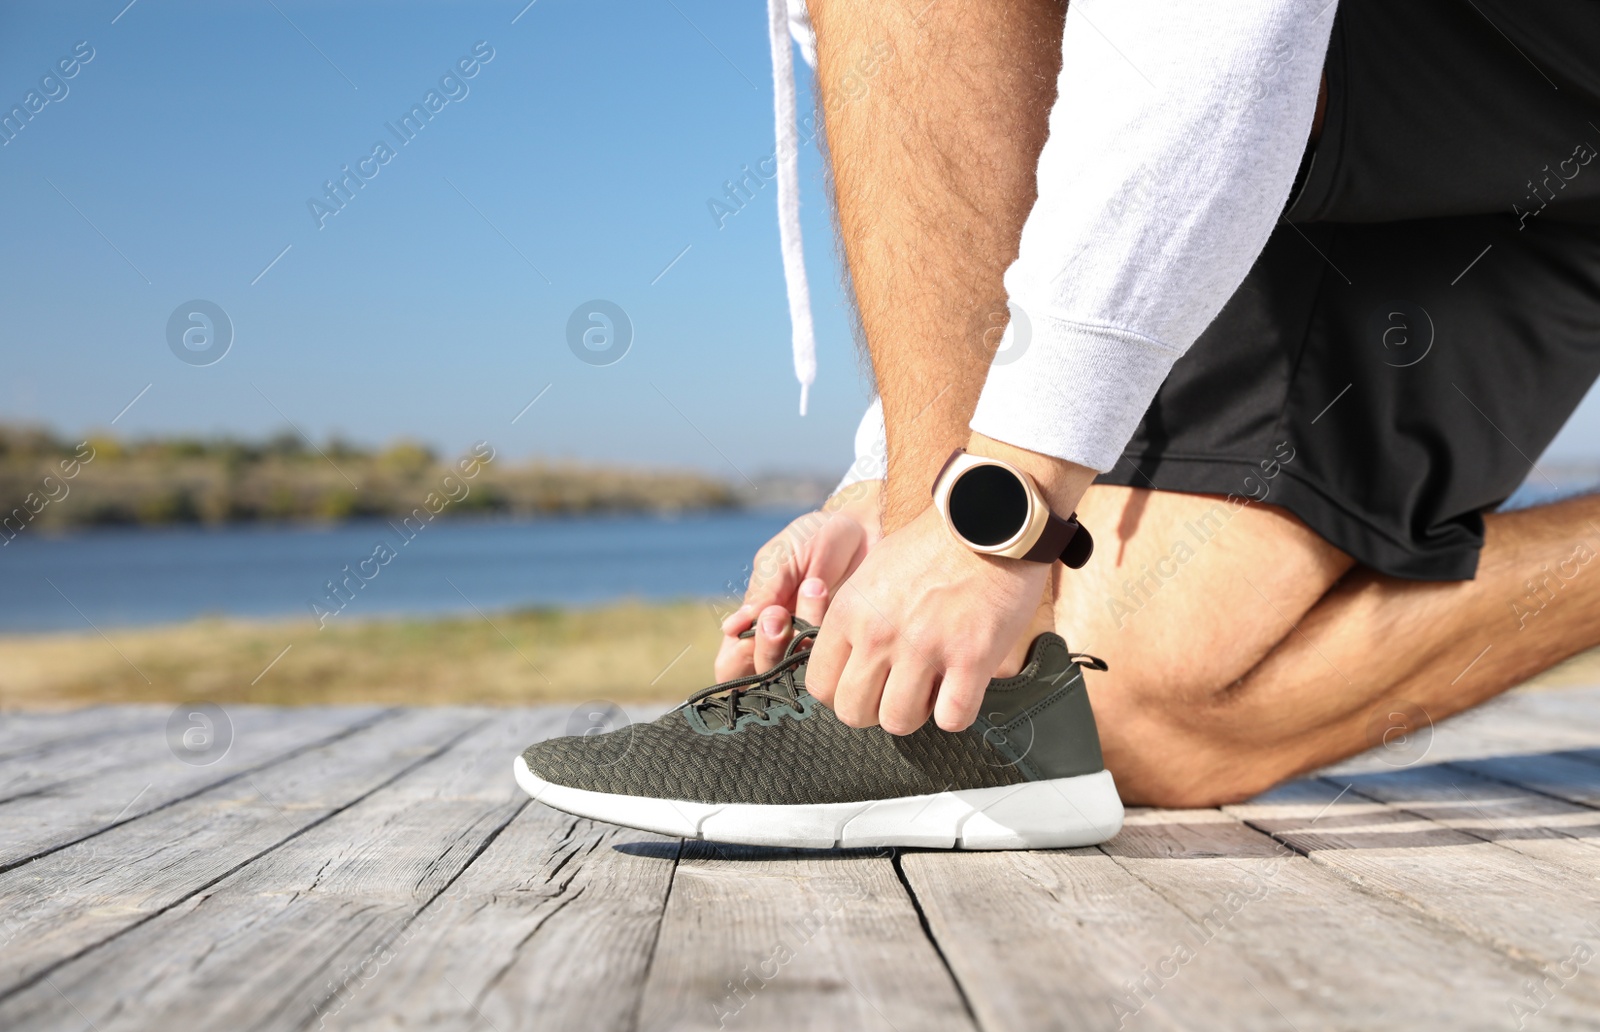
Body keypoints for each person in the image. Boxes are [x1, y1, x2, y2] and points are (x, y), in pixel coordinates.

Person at [515, 0, 1600, 848]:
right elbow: (981, 121)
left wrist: (986, 525)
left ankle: (908, 697)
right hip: (1381, 125)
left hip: (1400, 56)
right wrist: (895, 478)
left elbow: (1210, 33)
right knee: (1120, 709)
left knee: (988, 680)